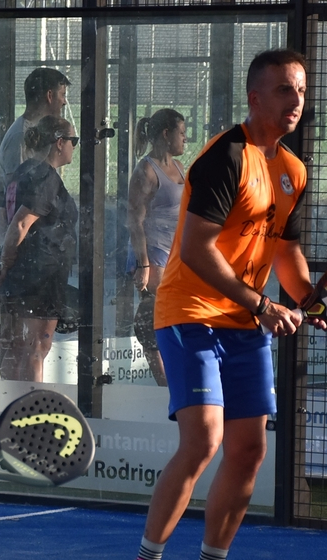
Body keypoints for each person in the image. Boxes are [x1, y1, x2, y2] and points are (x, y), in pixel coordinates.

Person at [115, 49, 327, 560]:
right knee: (204, 439)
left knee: (249, 449)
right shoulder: (224, 158)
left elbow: (284, 251)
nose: (296, 101)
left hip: (243, 323)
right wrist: (263, 305)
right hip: (189, 312)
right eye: (284, 90)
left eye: (301, 91)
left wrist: (309, 299)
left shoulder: (292, 170)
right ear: (255, 98)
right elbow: (193, 250)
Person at [0, 68, 71, 370]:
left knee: (26, 346)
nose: (64, 102)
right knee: (23, 346)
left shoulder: (39, 143)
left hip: (34, 260)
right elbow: (13, 211)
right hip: (28, 264)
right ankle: (22, 397)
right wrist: (8, 258)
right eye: (62, 95)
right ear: (49, 95)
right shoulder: (20, 143)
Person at [126, 108, 187, 387]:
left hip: (176, 255)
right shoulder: (146, 170)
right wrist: (143, 264)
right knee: (155, 323)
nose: (185, 139)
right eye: (181, 133)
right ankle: (166, 388)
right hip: (154, 254)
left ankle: (174, 385)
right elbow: (134, 220)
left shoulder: (180, 167)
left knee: (174, 320)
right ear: (166, 134)